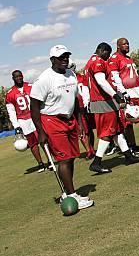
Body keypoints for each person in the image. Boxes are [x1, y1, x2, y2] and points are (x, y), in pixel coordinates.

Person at [29, 45, 93, 210]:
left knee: (71, 157)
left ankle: (68, 191)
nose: (65, 59)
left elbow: (76, 100)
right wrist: (40, 132)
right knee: (64, 159)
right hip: (51, 122)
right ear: (52, 60)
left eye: (66, 56)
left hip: (70, 119)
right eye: (61, 57)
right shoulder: (44, 79)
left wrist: (79, 123)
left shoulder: (71, 74)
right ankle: (72, 195)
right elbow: (34, 108)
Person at [85, 42, 139, 174]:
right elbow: (101, 81)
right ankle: (97, 162)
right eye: (107, 53)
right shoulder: (98, 61)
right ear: (102, 50)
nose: (108, 57)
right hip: (103, 101)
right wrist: (115, 95)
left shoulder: (91, 61)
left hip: (103, 100)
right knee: (108, 132)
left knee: (117, 129)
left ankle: (128, 156)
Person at [5, 70, 51, 172]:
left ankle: (49, 160)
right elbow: (11, 111)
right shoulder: (10, 93)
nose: (19, 78)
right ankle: (40, 163)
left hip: (35, 116)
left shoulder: (31, 86)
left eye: (20, 76)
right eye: (16, 77)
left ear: (22, 76)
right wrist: (16, 125)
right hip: (23, 120)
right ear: (13, 78)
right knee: (32, 143)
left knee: (42, 139)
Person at [70, 63, 96, 159]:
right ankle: (88, 150)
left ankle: (92, 148)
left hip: (85, 105)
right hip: (75, 108)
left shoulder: (82, 77)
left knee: (89, 129)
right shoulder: (66, 81)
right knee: (82, 130)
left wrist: (87, 102)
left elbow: (86, 90)